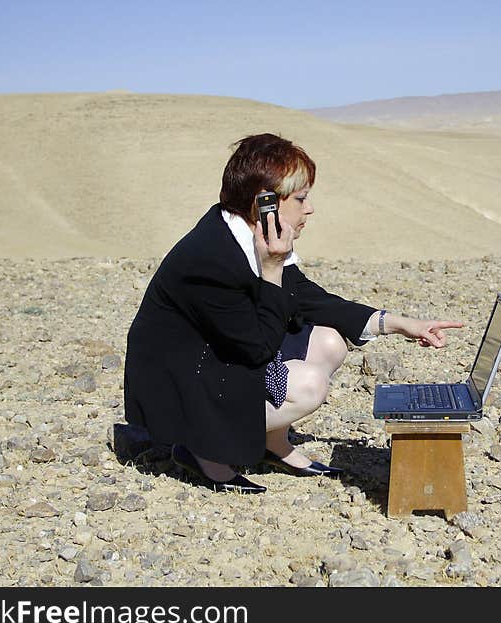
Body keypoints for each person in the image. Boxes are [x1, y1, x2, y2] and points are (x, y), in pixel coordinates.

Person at [123, 133, 463, 493]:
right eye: (300, 198)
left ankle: (273, 442)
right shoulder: (211, 260)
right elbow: (258, 349)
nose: (309, 208)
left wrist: (397, 323)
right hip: (182, 384)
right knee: (307, 386)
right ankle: (202, 452)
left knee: (330, 342)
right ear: (264, 204)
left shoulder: (247, 234)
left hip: (218, 355)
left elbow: (309, 299)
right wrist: (271, 272)